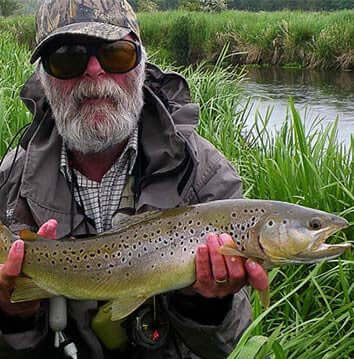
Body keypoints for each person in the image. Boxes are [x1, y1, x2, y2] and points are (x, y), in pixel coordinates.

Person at [0, 0, 268, 358]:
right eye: (67, 58)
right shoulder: (8, 185)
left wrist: (205, 308)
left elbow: (233, 347)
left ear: (142, 62)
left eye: (116, 54)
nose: (94, 73)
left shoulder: (206, 178)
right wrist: (12, 314)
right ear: (44, 78)